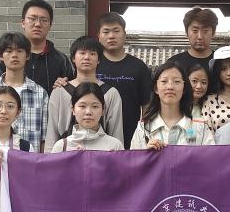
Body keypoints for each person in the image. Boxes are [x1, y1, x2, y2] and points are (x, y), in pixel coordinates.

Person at [44, 36, 123, 152]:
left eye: (92, 53)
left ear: (99, 59)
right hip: (66, 152)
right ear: (73, 58)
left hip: (103, 152)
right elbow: (52, 131)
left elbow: (116, 132)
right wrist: (50, 157)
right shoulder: (59, 91)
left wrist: (118, 155)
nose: (87, 57)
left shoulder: (111, 93)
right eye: (82, 53)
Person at [0, 0, 74, 93]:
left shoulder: (61, 60)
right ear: (23, 22)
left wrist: (63, 86)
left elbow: (71, 94)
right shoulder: (6, 58)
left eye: (44, 20)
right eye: (32, 19)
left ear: (50, 25)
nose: (37, 24)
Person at [95, 12, 152, 149]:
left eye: (116, 31)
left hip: (130, 135)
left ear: (124, 34)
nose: (111, 36)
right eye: (106, 32)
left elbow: (147, 104)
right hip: (95, 135)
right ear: (98, 36)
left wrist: (145, 132)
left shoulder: (138, 67)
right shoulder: (92, 64)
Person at [130, 60, 214, 149]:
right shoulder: (143, 128)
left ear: (184, 88)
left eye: (176, 81)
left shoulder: (200, 127)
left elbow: (211, 156)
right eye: (164, 81)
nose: (170, 87)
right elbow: (134, 157)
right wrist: (146, 154)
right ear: (156, 88)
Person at [51, 82, 125, 152]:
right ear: (73, 109)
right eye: (82, 106)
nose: (88, 112)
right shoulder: (61, 147)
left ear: (103, 110)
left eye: (95, 106)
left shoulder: (115, 146)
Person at [202, 46, 230, 133]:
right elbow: (207, 133)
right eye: (223, 69)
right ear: (217, 72)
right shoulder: (210, 100)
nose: (229, 73)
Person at [167, 7, 217, 73]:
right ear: (186, 33)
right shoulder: (174, 63)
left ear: (213, 33)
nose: (200, 36)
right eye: (195, 31)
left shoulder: (220, 62)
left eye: (205, 31)